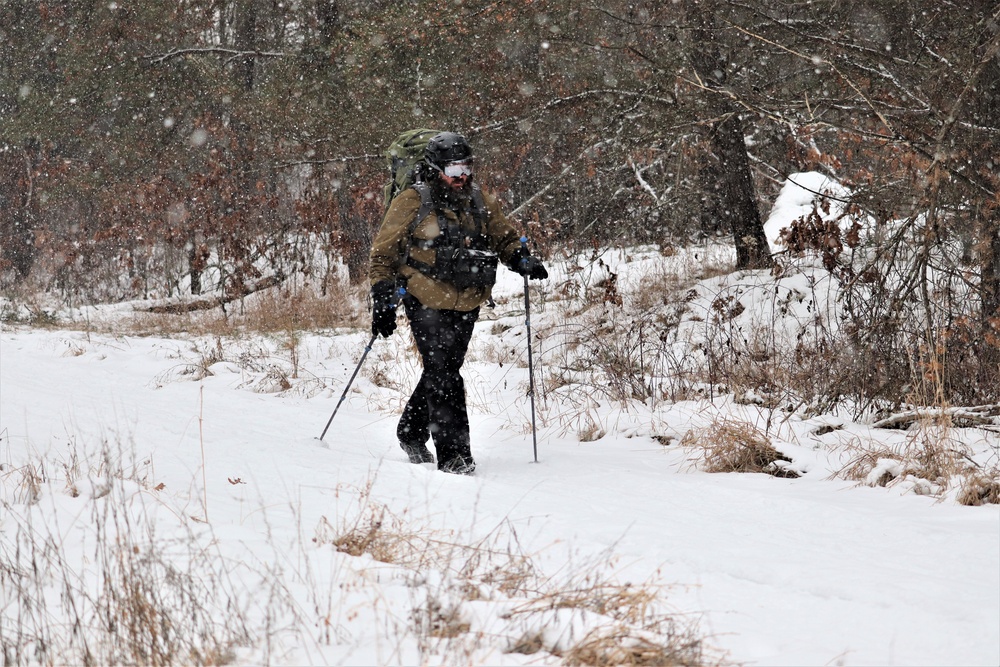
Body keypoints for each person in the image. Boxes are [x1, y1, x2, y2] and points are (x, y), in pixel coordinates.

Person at [368, 131, 548, 475]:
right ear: (436, 169)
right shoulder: (411, 200)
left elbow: (503, 236)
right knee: (444, 373)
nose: (461, 176)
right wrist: (382, 298)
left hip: (467, 300)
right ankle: (455, 455)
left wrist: (520, 258)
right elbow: (383, 254)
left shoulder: (479, 199)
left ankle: (410, 430)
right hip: (423, 296)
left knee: (444, 369)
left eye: (466, 167)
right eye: (454, 169)